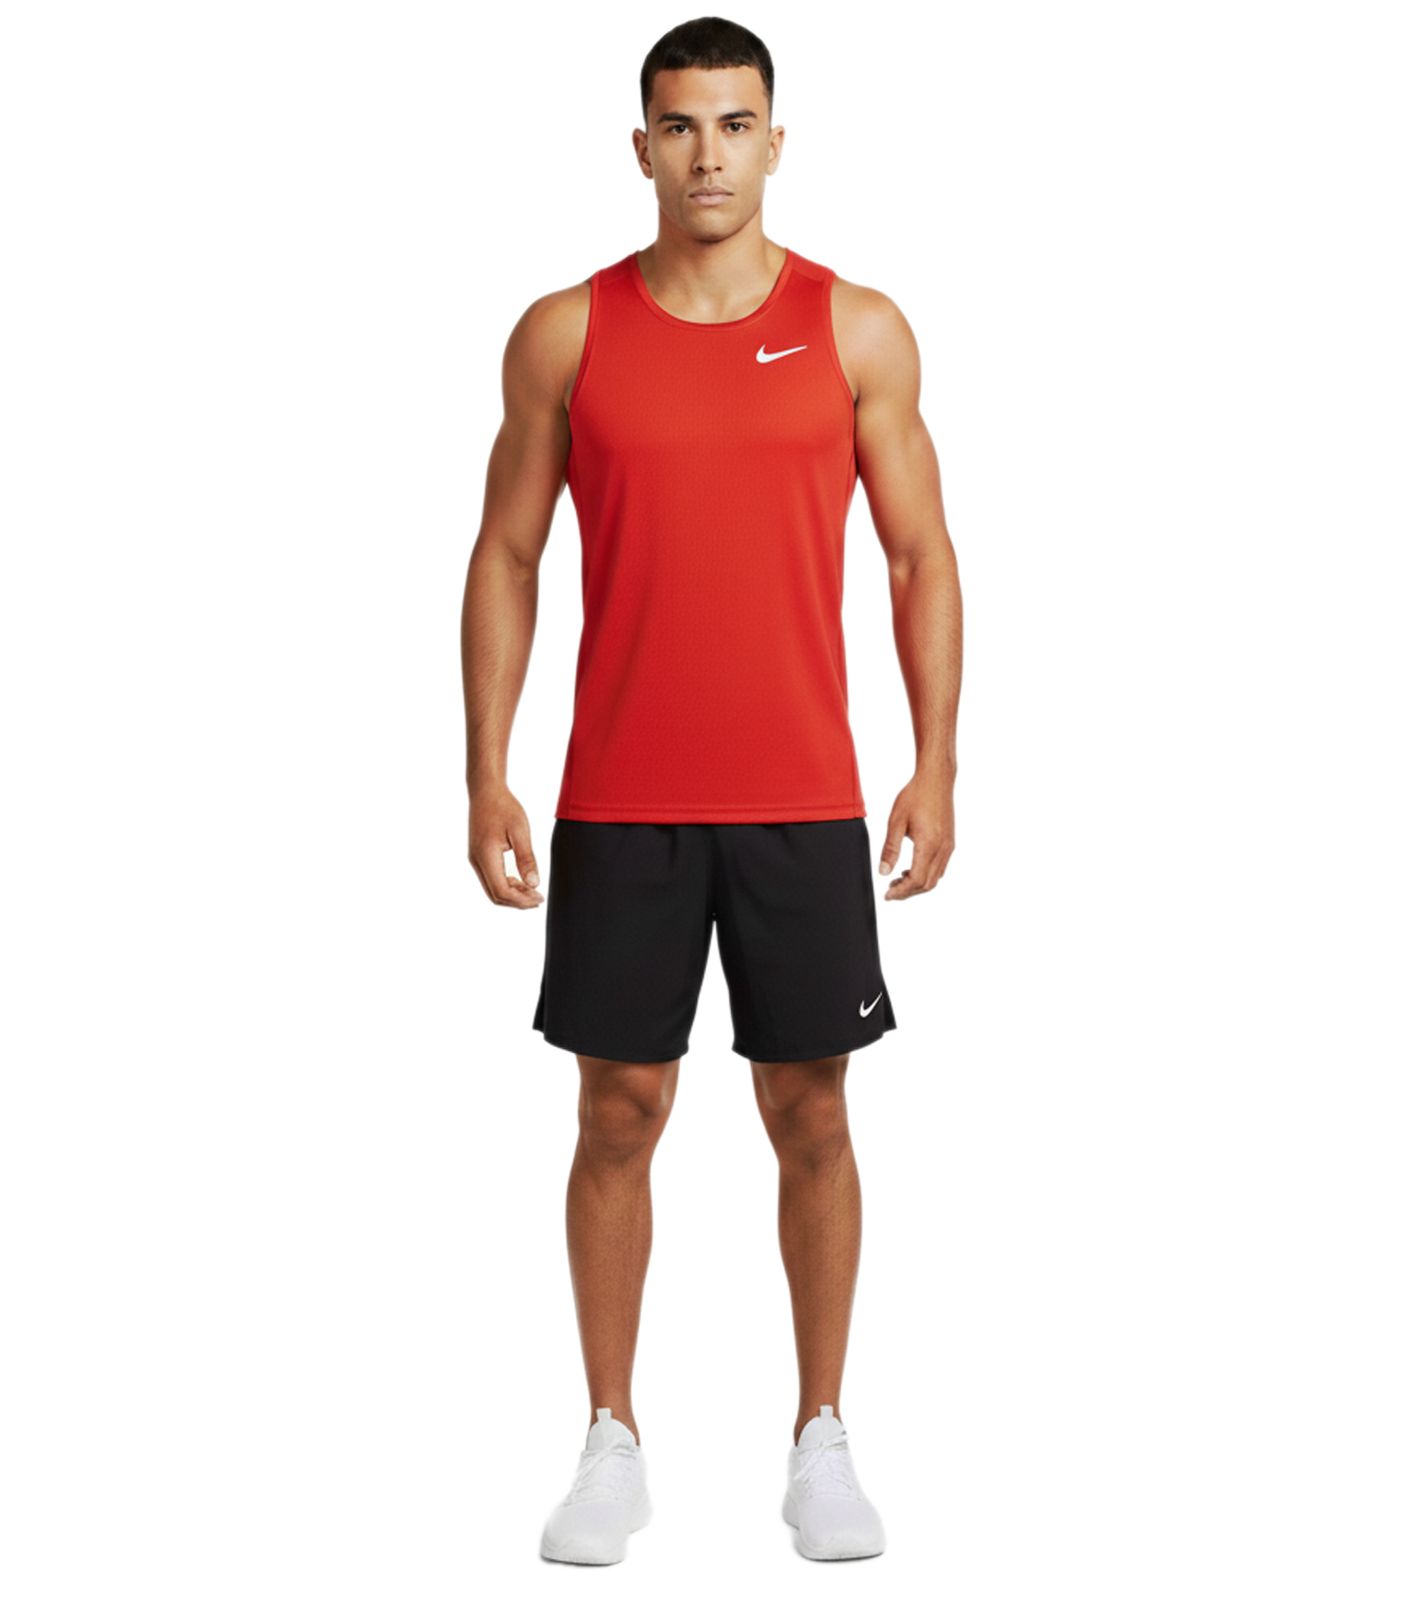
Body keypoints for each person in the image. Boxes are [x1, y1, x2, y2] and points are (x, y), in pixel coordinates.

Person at [461, 16, 962, 1565]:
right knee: (617, 1111)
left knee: (809, 1109)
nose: (707, 156)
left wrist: (934, 763)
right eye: (679, 127)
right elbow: (506, 554)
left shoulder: (855, 329)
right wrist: (484, 770)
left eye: (734, 125)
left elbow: (919, 557)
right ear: (640, 147)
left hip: (801, 796)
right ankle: (610, 1437)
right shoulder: (565, 333)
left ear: (775, 142)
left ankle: (821, 1436)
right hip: (620, 799)